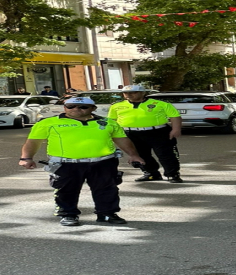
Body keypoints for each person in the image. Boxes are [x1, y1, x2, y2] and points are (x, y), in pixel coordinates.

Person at [18, 97, 145, 226]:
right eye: (71, 106)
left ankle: (107, 213)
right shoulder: (48, 123)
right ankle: (68, 214)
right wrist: (26, 158)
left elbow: (122, 139)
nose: (76, 109)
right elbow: (33, 141)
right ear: (65, 108)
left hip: (103, 162)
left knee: (107, 189)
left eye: (83, 107)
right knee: (66, 190)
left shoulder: (107, 122)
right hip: (66, 164)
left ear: (93, 108)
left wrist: (134, 155)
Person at [108, 84, 184, 183]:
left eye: (133, 92)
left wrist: (176, 129)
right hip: (131, 133)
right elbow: (111, 121)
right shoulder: (116, 106)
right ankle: (151, 173)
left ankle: (172, 174)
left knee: (165, 154)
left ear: (143, 93)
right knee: (140, 155)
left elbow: (175, 116)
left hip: (158, 132)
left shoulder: (160, 104)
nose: (129, 95)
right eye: (126, 93)